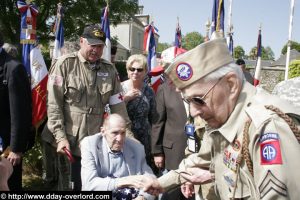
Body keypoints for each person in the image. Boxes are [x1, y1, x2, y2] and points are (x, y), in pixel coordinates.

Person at [143, 38, 300, 199]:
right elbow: (200, 159)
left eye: (198, 99)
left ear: (231, 84)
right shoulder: (223, 117)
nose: (194, 111)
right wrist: (161, 183)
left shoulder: (268, 126)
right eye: (188, 101)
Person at [47, 24, 133, 190]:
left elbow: (118, 107)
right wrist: (60, 136)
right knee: (70, 186)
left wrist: (127, 136)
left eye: (100, 46)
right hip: (69, 142)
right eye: (92, 45)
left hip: (97, 143)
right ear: (81, 42)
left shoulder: (109, 70)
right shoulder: (65, 64)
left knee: (94, 186)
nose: (96, 50)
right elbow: (53, 104)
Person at [81, 114, 154, 200]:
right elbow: (89, 185)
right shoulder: (90, 145)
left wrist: (142, 197)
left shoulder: (137, 148)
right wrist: (124, 181)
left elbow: (151, 180)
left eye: (123, 133)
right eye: (115, 133)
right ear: (103, 131)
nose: (119, 138)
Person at [0, 33, 32, 191]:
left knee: (8, 186)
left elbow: (20, 113)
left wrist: (16, 148)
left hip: (6, 149)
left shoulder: (13, 68)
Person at [121, 54, 156, 171]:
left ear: (145, 72)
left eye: (139, 69)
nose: (135, 72)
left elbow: (153, 117)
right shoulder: (120, 88)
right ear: (128, 70)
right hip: (125, 136)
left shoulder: (149, 90)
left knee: (143, 169)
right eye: (132, 69)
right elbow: (110, 112)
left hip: (145, 138)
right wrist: (125, 99)